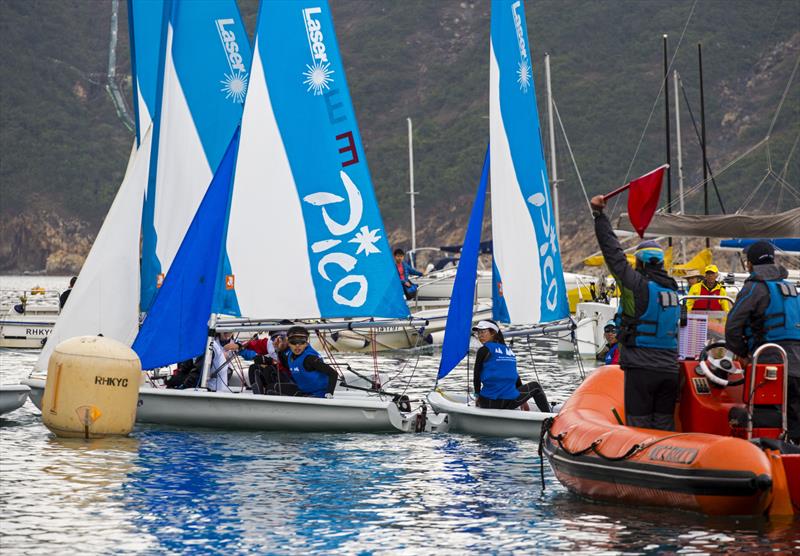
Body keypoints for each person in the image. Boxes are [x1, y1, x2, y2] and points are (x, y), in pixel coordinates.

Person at [591, 195, 681, 431]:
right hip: (670, 370)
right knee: (663, 424)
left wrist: (599, 216)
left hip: (642, 370)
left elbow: (613, 254)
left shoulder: (635, 285)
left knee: (638, 428)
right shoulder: (673, 289)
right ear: (661, 263)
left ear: (639, 263)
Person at [725, 240, 800, 443]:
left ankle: (767, 457)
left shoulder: (753, 288)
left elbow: (732, 327)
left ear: (751, 264)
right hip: (797, 364)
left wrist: (743, 352)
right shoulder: (791, 289)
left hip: (768, 360)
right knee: (795, 418)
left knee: (767, 416)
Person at [472, 320, 551, 412]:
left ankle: (548, 418)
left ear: (493, 333)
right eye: (478, 333)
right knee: (536, 386)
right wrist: (523, 400)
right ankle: (548, 417)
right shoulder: (509, 351)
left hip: (488, 402)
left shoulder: (484, 350)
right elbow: (515, 376)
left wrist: (477, 395)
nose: (480, 335)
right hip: (509, 402)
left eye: (483, 332)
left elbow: (476, 374)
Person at [276, 326, 338, 398]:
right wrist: (280, 351)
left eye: (302, 342)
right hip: (304, 392)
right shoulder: (290, 355)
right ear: (288, 343)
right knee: (273, 387)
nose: (297, 346)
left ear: (306, 343)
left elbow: (333, 373)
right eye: (293, 342)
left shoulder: (310, 358)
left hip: (318, 394)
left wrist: (329, 393)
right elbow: (288, 366)